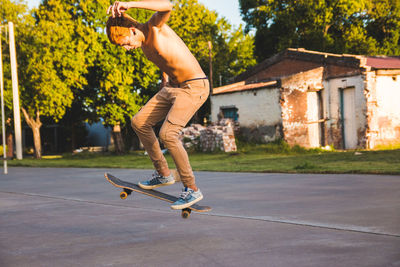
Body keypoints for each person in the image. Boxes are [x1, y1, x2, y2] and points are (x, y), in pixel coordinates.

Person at [106, 0, 209, 209]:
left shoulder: (154, 27)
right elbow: (165, 60)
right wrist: (164, 80)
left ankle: (192, 189)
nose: (126, 49)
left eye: (125, 43)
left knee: (167, 134)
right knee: (139, 122)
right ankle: (163, 173)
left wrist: (130, 4)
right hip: (172, 87)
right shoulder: (144, 47)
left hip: (194, 86)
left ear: (133, 31)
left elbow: (167, 5)